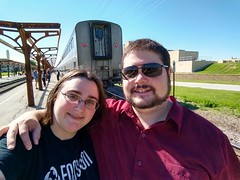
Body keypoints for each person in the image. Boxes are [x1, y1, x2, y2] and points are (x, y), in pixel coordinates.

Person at [1, 38, 240, 179]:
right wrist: (36, 114)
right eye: (130, 72)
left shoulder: (212, 141)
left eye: (151, 69)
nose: (139, 79)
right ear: (123, 78)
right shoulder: (105, 116)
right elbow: (72, 111)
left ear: (168, 73)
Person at [0, 69, 107, 179]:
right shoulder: (23, 139)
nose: (80, 108)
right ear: (55, 97)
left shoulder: (91, 134)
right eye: (73, 96)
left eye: (90, 102)